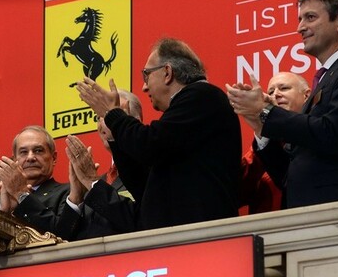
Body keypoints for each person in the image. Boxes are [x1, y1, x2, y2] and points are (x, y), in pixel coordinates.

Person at [226, 0, 338, 208]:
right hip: (304, 212)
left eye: (310, 17)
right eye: (300, 19)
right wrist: (260, 126)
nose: (300, 27)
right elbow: (287, 175)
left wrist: (266, 111)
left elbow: (331, 133)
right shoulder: (324, 79)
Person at [76, 37, 242, 230]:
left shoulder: (202, 96)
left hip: (203, 234)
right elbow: (143, 187)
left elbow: (149, 145)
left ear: (167, 72)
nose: (144, 87)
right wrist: (115, 137)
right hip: (176, 236)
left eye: (146, 75)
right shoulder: (184, 114)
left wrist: (112, 114)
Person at [61, 89, 142, 238]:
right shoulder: (95, 183)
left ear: (135, 122)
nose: (104, 122)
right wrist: (76, 198)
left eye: (111, 113)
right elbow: (62, 238)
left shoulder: (151, 170)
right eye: (99, 116)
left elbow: (140, 220)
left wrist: (91, 181)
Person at [239, 72, 310, 213]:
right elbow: (238, 190)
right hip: (267, 224)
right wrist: (260, 128)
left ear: (306, 95)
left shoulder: (319, 134)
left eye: (284, 88)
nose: (276, 94)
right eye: (271, 91)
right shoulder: (263, 143)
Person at [0, 126, 71, 237]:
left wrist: (21, 194)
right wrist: (4, 213)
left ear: (53, 158)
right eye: (23, 152)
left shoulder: (69, 193)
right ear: (15, 160)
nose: (30, 157)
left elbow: (62, 234)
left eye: (38, 151)